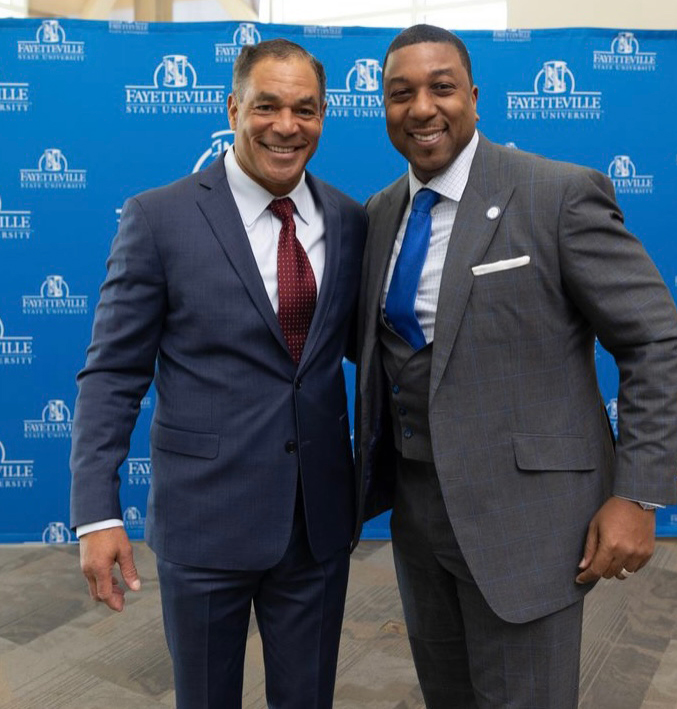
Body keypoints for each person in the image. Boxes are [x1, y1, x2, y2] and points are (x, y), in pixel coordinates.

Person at [355, 24, 677, 709]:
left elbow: (652, 339)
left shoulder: (555, 194)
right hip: (417, 520)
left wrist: (637, 494)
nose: (421, 107)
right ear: (381, 107)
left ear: (473, 98)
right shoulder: (379, 213)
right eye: (400, 93)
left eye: (440, 87)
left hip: (529, 522)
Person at [70, 39, 366, 709]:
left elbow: (371, 349)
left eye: (304, 109)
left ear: (323, 115)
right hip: (204, 521)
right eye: (266, 105)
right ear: (232, 107)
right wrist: (95, 514)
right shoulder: (158, 217)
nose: (285, 125)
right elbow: (113, 372)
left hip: (315, 526)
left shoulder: (349, 221)